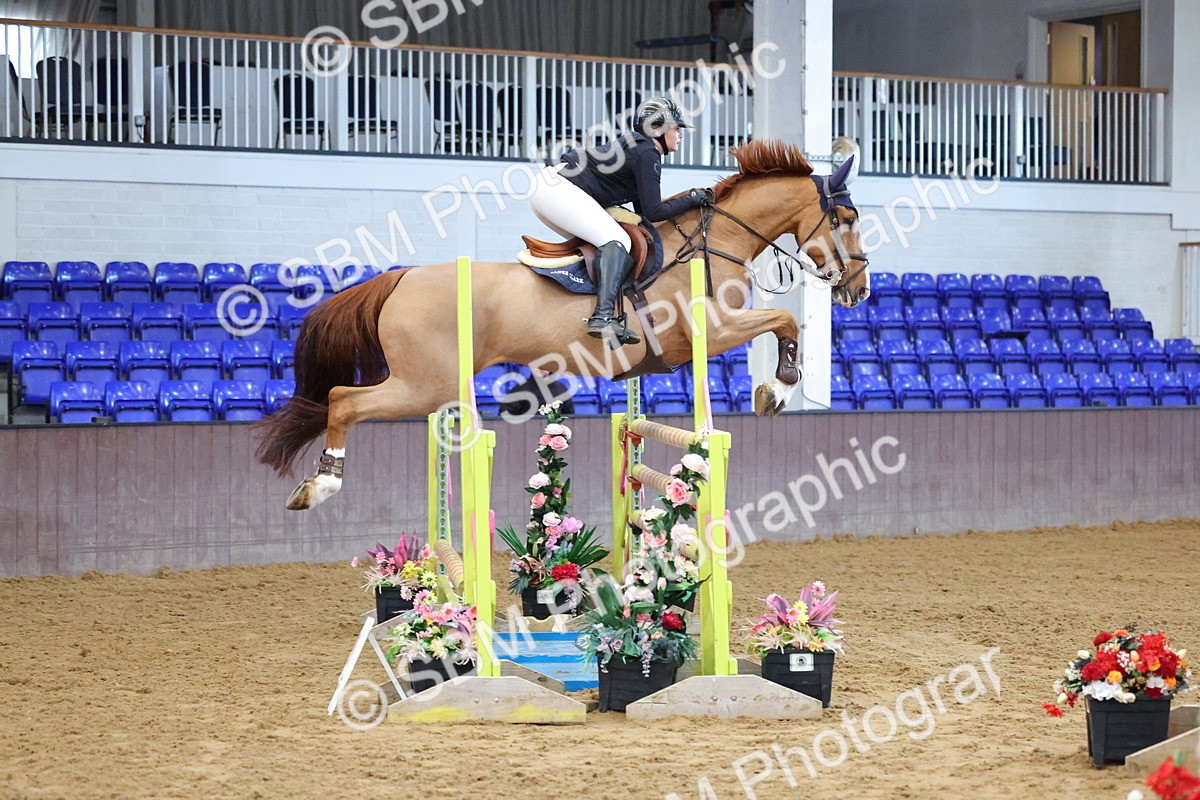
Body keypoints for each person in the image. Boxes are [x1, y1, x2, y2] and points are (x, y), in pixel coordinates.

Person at [528, 96, 713, 348]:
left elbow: (644, 213)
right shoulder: (647, 153)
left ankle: (602, 311)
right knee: (617, 240)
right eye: (676, 128)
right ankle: (603, 317)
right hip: (557, 189)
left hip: (550, 188)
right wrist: (691, 198)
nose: (680, 134)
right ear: (656, 129)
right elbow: (655, 211)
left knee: (609, 241)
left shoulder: (639, 149)